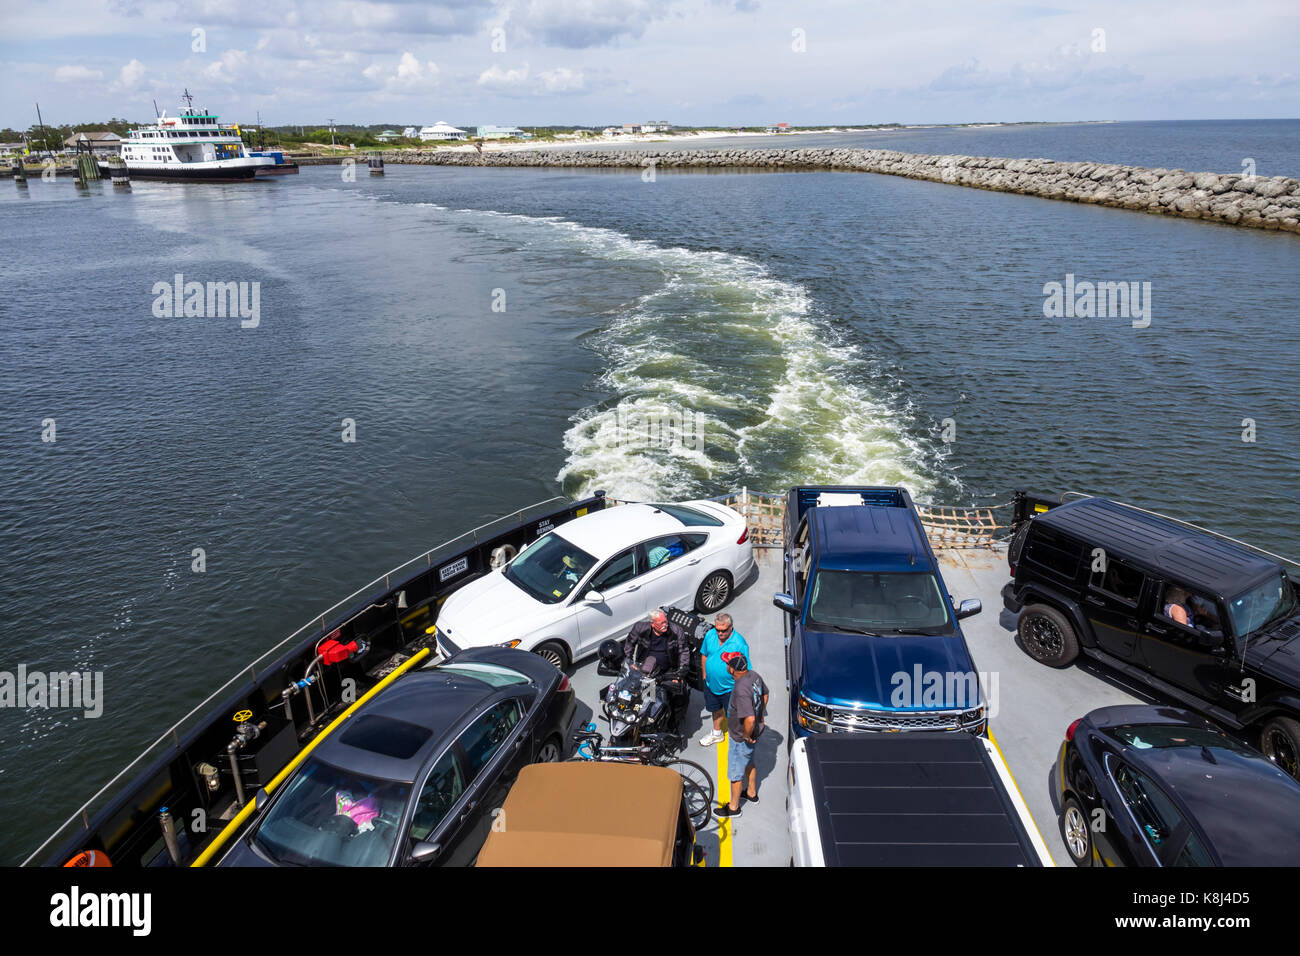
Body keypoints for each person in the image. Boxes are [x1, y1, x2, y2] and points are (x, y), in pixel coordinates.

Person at [715, 652, 768, 818]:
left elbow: (750, 719)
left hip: (740, 737)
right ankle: (751, 793)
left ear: (733, 669)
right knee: (749, 762)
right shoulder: (754, 676)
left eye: (728, 664)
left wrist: (746, 735)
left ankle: (733, 807)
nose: (726, 666)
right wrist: (760, 714)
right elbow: (765, 694)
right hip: (755, 732)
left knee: (735, 774)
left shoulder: (740, 689)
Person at [623, 609, 691, 730]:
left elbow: (683, 652)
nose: (665, 624)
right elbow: (629, 643)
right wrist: (629, 661)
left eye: (666, 621)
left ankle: (673, 728)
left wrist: (680, 673)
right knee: (642, 699)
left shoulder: (676, 631)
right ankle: (644, 725)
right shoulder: (640, 628)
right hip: (646, 669)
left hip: (669, 671)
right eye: (661, 623)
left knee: (680, 696)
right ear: (652, 624)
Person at [697, 613, 750, 747]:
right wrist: (704, 675)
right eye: (717, 630)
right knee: (715, 710)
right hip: (711, 684)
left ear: (731, 627)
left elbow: (745, 669)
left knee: (734, 715)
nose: (720, 633)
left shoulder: (739, 644)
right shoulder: (710, 635)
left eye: (723, 630)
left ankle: (739, 738)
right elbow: (704, 655)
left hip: (730, 689)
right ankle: (717, 734)